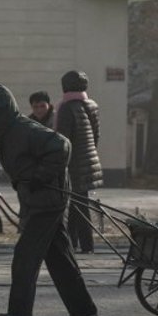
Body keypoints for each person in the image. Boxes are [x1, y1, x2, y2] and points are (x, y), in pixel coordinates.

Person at [0, 84, 97, 316]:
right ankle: (83, 309)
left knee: (25, 255)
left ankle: (20, 313)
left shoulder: (23, 129)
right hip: (40, 199)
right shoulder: (9, 132)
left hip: (47, 201)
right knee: (60, 258)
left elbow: (62, 145)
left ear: (0, 109)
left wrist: (40, 177)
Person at [55, 70, 103, 254]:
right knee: (77, 204)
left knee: (79, 206)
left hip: (74, 163)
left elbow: (63, 140)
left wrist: (58, 163)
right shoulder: (91, 105)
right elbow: (96, 135)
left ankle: (85, 245)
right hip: (89, 160)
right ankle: (73, 243)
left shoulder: (66, 108)